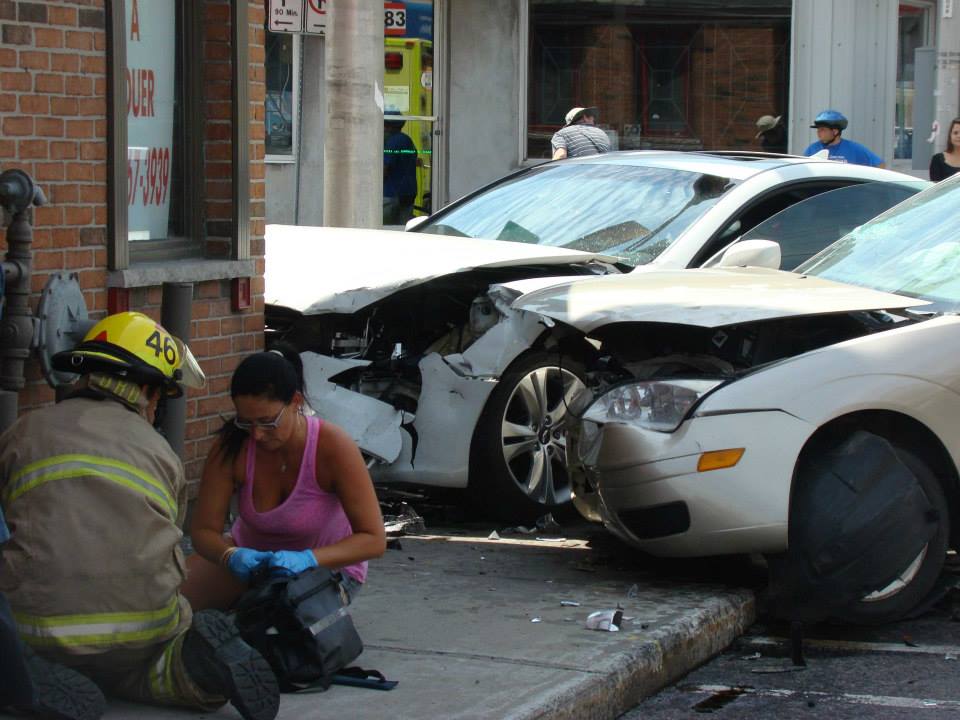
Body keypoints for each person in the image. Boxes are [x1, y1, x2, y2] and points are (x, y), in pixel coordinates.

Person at [0, 311, 280, 720]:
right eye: (160, 397)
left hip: (37, 628)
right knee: (148, 669)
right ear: (146, 390)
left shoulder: (23, 432)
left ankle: (23, 678)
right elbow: (169, 541)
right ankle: (191, 672)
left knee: (15, 650)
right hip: (143, 630)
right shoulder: (161, 453)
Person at [181, 346, 386, 614]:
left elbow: (373, 539)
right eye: (246, 422)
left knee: (272, 624)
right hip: (252, 562)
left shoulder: (333, 446)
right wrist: (230, 555)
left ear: (296, 402)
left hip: (325, 569)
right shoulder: (232, 447)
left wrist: (308, 559)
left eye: (267, 422)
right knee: (167, 603)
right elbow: (203, 531)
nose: (257, 435)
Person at [802, 109, 885, 167]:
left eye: (822, 130)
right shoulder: (812, 149)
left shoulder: (854, 149)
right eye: (818, 129)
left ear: (835, 131)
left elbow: (880, 165)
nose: (818, 132)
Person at [383, 113, 419, 226]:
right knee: (403, 228)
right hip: (409, 192)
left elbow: (385, 168)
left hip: (392, 194)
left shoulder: (391, 142)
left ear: (388, 126)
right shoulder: (407, 139)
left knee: (386, 229)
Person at [929, 117, 960, 181]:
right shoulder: (937, 159)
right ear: (950, 135)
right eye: (955, 133)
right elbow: (935, 185)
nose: (959, 136)